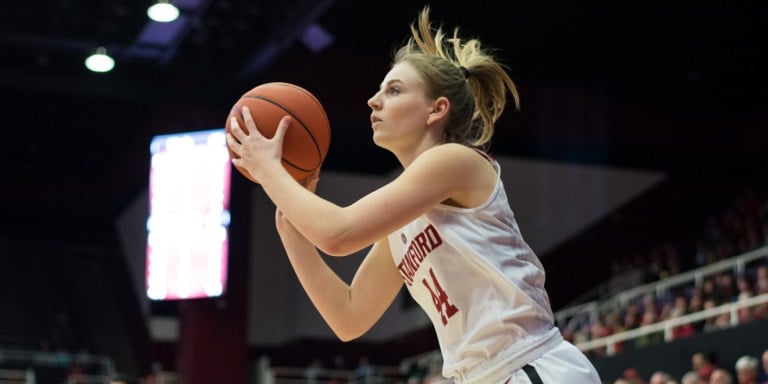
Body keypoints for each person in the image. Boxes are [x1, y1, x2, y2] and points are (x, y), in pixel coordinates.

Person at [226, 6, 601, 384]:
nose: (374, 100)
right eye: (379, 90)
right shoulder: (403, 221)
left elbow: (338, 234)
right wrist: (294, 235)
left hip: (527, 364)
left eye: (394, 90)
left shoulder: (455, 160)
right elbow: (349, 316)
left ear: (436, 110)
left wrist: (269, 170)